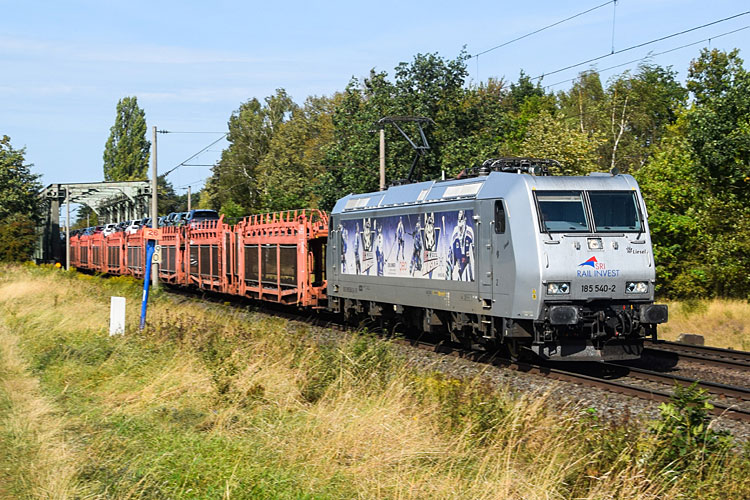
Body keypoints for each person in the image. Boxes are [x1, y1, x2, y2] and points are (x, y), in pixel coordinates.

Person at [450, 210, 474, 281]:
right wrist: (452, 267)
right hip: (458, 263)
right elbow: (451, 250)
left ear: (465, 219)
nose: (460, 222)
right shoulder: (455, 231)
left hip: (468, 263)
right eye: (459, 219)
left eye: (461, 219)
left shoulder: (469, 231)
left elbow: (473, 251)